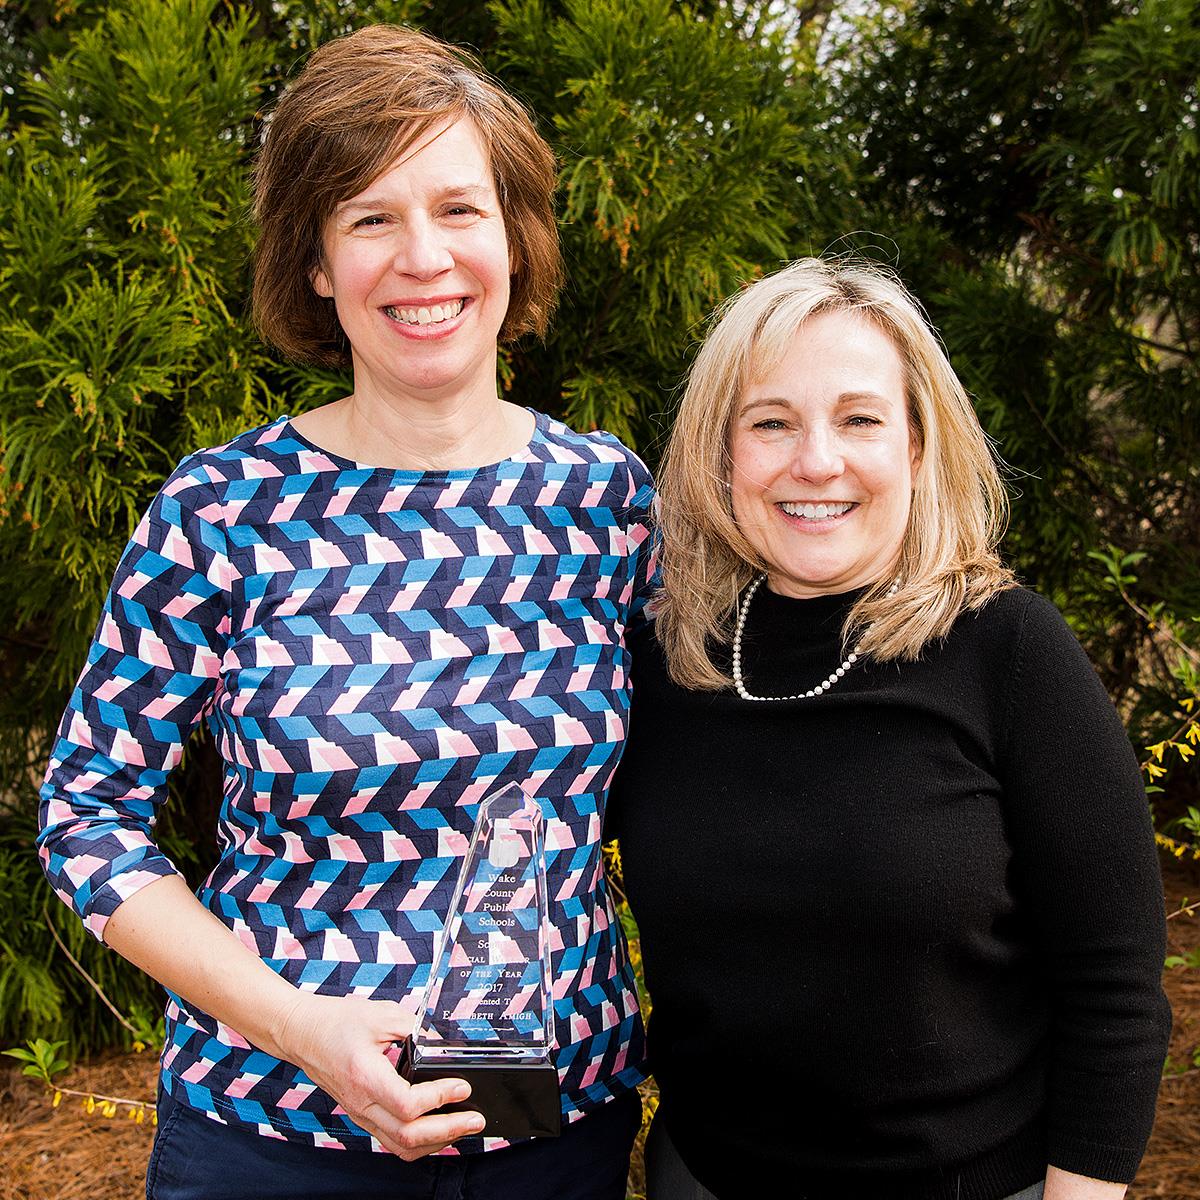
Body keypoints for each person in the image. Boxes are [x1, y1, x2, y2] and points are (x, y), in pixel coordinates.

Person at [37, 25, 654, 1200]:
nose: (424, 257)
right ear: (316, 264)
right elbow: (86, 818)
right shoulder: (221, 511)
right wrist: (296, 1025)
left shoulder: (610, 503)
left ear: (514, 240)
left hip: (556, 1138)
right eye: (371, 218)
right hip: (267, 1138)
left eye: (460, 209)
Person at [607, 257, 1171, 1200]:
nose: (815, 461)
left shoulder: (1008, 649)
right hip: (703, 1179)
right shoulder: (667, 660)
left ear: (916, 447)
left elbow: (1115, 987)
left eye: (859, 418)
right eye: (771, 422)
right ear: (721, 455)